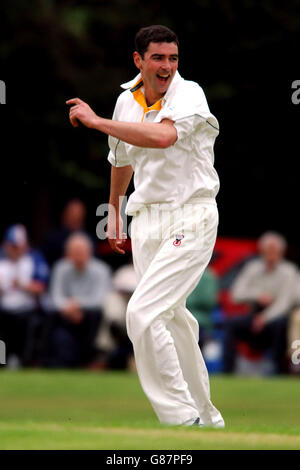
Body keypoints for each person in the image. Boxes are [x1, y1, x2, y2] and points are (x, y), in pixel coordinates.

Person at [66, 25, 224, 427]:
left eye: (172, 58)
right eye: (158, 58)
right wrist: (115, 212)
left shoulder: (190, 94)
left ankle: (181, 418)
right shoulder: (126, 101)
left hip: (192, 214)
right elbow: (121, 160)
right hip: (147, 219)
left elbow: (163, 136)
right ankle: (207, 418)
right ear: (139, 60)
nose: (167, 66)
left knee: (142, 311)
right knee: (172, 318)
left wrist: (97, 121)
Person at [223, 232, 298, 374]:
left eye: (274, 251)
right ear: (261, 251)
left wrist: (265, 318)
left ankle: (279, 371)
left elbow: (284, 303)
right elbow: (236, 294)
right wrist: (257, 295)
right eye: (267, 251)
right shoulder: (252, 268)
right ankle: (228, 371)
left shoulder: (289, 271)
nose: (270, 254)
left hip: (276, 319)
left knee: (281, 325)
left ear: (281, 252)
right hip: (254, 314)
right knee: (231, 324)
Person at [45, 232, 111, 367]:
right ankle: (45, 360)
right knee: (50, 316)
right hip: (65, 314)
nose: (78, 255)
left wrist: (77, 304)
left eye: (81, 252)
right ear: (67, 253)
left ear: (90, 252)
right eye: (74, 252)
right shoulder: (60, 268)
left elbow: (100, 299)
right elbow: (55, 297)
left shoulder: (101, 270)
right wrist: (69, 308)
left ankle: (92, 360)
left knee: (97, 315)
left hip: (90, 317)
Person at [0, 224, 49, 366]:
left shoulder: (34, 259)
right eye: (13, 246)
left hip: (26, 311)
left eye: (19, 246)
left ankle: (24, 361)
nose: (16, 250)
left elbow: (42, 287)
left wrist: (22, 285)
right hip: (3, 312)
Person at [43, 198, 95, 267]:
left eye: (79, 215)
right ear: (65, 214)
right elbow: (47, 262)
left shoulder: (90, 238)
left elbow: (94, 261)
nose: (75, 217)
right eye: (73, 213)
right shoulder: (53, 239)